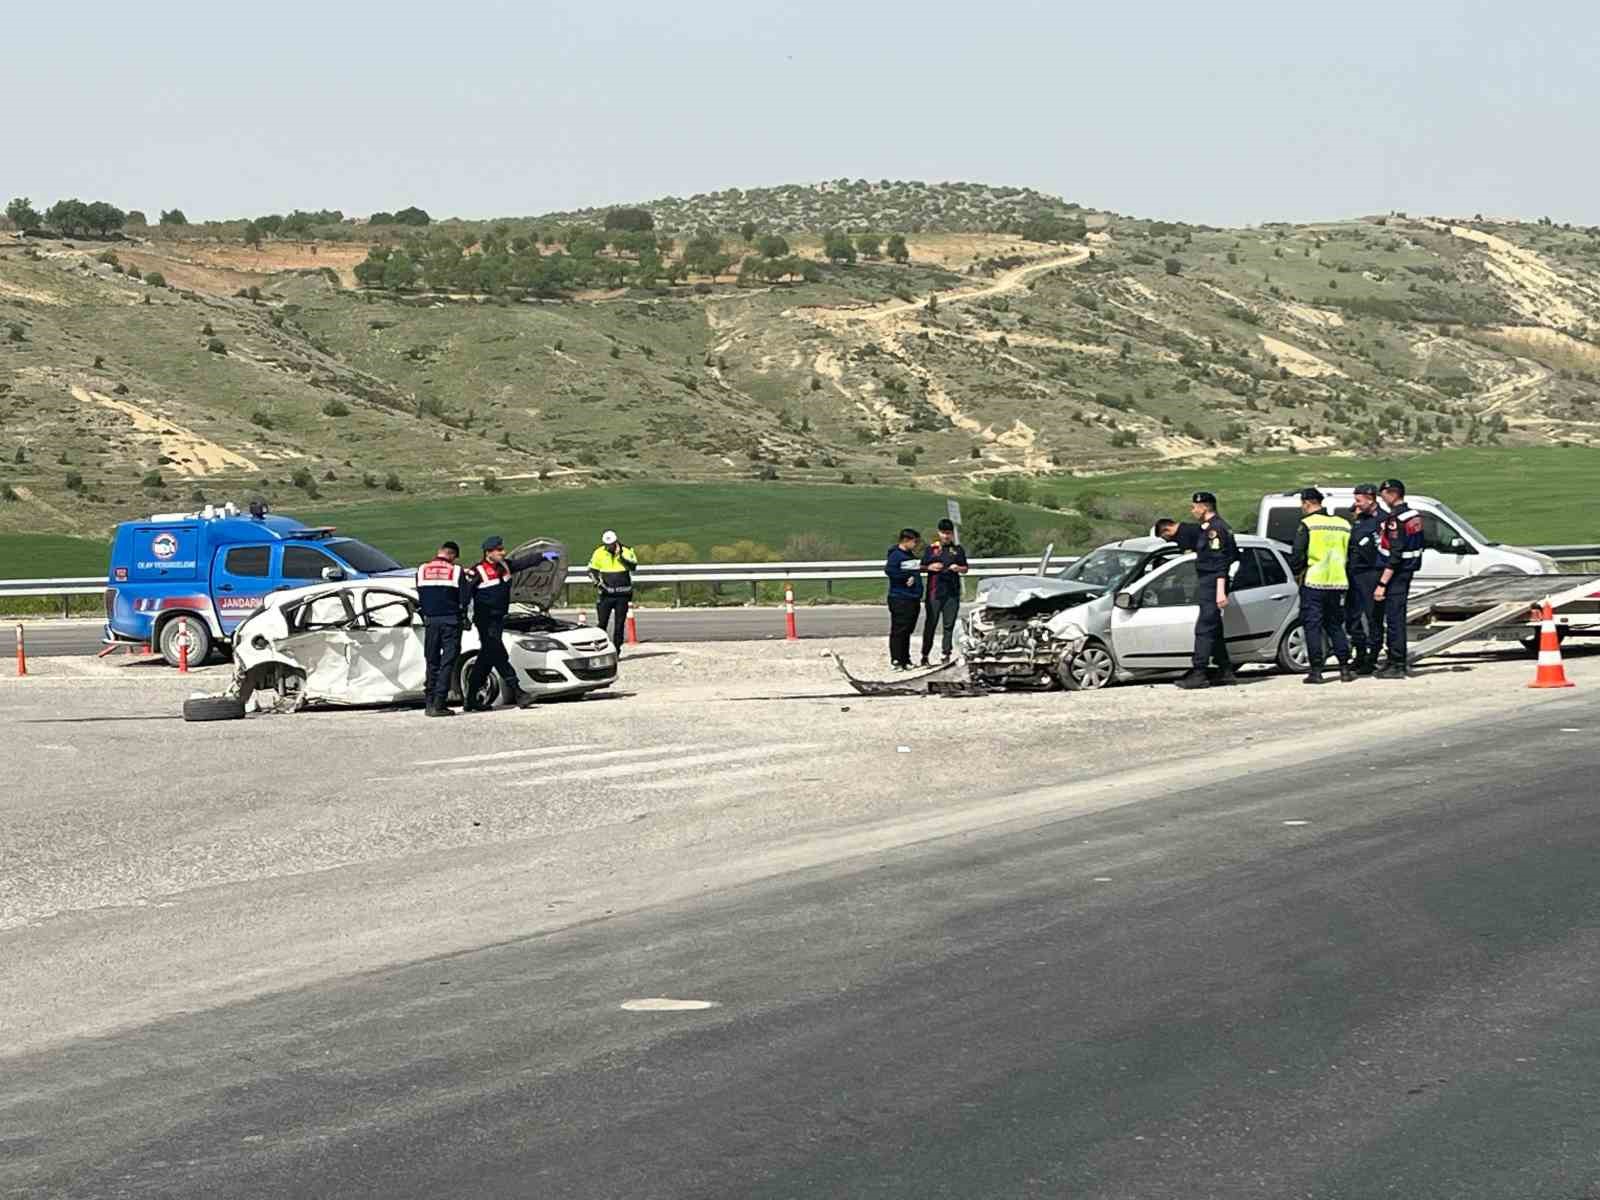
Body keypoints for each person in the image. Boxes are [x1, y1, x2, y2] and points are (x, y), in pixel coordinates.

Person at [1287, 488, 1354, 684]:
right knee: (1335, 625)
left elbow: (1298, 554)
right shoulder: (1343, 524)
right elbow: (1350, 552)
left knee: (1312, 625)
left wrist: (1295, 572)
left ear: (1307, 503)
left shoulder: (1308, 524)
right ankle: (1344, 668)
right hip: (1337, 582)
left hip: (1314, 581)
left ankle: (1316, 670)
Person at [463, 536, 536, 711]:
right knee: (498, 654)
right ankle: (519, 692)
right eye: (499, 550)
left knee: (485, 660)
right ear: (489, 552)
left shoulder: (504, 565)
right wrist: (463, 616)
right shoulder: (477, 571)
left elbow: (524, 562)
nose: (503, 553)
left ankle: (470, 699)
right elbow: (465, 595)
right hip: (485, 622)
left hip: (498, 620)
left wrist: (544, 556)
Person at [1175, 491, 1239, 689]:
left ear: (1204, 507)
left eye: (1195, 506)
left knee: (1203, 628)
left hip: (1213, 583)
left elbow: (1220, 561)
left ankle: (1199, 672)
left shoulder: (1215, 530)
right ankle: (1225, 670)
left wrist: (1220, 590)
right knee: (1214, 628)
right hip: (1208, 582)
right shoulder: (1208, 528)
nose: (1192, 510)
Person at [1374, 478, 1424, 679]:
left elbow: (1395, 554)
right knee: (1396, 618)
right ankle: (1394, 661)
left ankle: (1398, 663)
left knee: (1395, 620)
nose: (1382, 499)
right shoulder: (1414, 515)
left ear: (1392, 494)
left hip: (1396, 573)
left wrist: (1382, 583)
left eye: (1383, 495)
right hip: (1408, 570)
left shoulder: (1396, 519)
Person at [415, 540, 469, 717]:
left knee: (431, 662)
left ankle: (429, 702)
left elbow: (420, 595)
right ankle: (439, 703)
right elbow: (464, 598)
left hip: (431, 622)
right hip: (450, 622)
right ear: (452, 555)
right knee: (447, 662)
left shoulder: (422, 570)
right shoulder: (456, 571)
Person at [1344, 483, 1386, 674]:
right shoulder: (1359, 519)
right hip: (1353, 574)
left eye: (1359, 501)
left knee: (1373, 617)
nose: (1357, 505)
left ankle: (1373, 656)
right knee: (1352, 616)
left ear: (1371, 499)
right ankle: (1359, 653)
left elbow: (1384, 550)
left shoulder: (1382, 520)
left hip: (1371, 573)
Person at [919, 518, 969, 665]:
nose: (946, 536)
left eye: (948, 533)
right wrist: (930, 567)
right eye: (943, 533)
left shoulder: (957, 550)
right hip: (935, 592)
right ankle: (925, 654)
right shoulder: (932, 549)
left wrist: (958, 568)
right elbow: (921, 566)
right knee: (931, 623)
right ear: (939, 533)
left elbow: (965, 568)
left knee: (949, 625)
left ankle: (946, 654)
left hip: (952, 592)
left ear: (952, 534)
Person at [587, 530, 638, 651]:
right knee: (602, 623)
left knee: (619, 625)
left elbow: (633, 566)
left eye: (611, 544)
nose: (609, 547)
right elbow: (592, 570)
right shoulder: (599, 552)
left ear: (616, 542)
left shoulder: (627, 551)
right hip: (606, 594)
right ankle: (600, 648)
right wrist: (596, 582)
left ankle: (616, 649)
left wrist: (620, 557)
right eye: (606, 544)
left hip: (622, 594)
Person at [884, 527, 923, 670]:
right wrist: (905, 578)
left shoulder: (910, 555)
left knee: (907, 630)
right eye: (914, 541)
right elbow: (890, 571)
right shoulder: (896, 555)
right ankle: (896, 659)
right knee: (899, 630)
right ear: (906, 541)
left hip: (912, 598)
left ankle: (905, 658)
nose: (916, 544)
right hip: (900, 598)